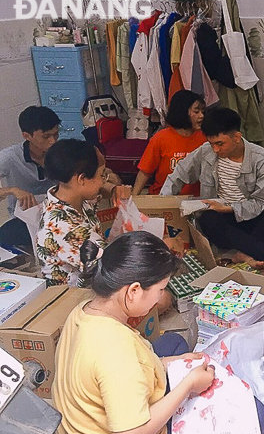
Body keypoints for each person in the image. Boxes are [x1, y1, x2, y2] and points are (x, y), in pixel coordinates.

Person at [51, 231, 216, 434]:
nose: (161, 298)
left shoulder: (83, 310)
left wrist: (174, 362)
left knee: (174, 343)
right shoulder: (117, 352)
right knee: (255, 413)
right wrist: (188, 385)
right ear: (134, 291)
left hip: (78, 427)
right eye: (160, 289)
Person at [161, 106, 264, 277]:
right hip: (223, 221)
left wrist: (230, 208)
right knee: (208, 219)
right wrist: (162, 205)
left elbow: (259, 202)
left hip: (254, 217)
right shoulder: (205, 152)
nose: (216, 150)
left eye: (220, 144)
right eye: (212, 144)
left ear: (237, 137)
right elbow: (178, 175)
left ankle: (245, 251)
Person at [36, 139, 132, 287]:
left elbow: (100, 189)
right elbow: (115, 266)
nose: (103, 181)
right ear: (81, 179)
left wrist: (113, 189)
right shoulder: (66, 228)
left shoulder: (67, 193)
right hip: (75, 296)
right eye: (101, 175)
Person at [0, 106, 59, 251]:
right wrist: (12, 190)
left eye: (56, 134)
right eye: (46, 136)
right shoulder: (10, 157)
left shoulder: (61, 152)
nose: (53, 141)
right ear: (27, 136)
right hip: (26, 218)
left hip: (58, 214)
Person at [133, 90, 206, 196]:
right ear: (183, 112)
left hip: (195, 200)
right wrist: (133, 200)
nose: (201, 116)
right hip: (163, 199)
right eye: (196, 111)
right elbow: (145, 171)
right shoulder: (161, 138)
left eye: (202, 111)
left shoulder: (205, 138)